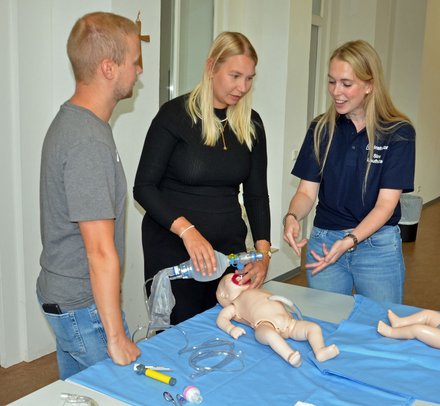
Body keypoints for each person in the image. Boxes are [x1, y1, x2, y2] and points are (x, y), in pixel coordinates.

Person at [134, 31, 271, 325]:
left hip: (228, 249)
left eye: (249, 78)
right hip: (175, 247)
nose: (242, 87)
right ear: (211, 67)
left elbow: (257, 194)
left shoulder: (251, 123)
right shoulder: (174, 116)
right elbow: (144, 188)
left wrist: (262, 253)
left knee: (228, 326)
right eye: (235, 76)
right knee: (181, 336)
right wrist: (188, 232)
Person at [37, 11, 142, 379]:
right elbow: (99, 252)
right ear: (109, 68)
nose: (139, 70)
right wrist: (115, 336)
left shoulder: (79, 123)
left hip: (70, 299)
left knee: (81, 396)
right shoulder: (87, 140)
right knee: (124, 391)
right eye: (134, 61)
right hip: (82, 305)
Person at [283, 40, 415, 304]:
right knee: (325, 327)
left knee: (379, 327)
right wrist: (292, 215)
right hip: (325, 242)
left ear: (369, 85)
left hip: (377, 246)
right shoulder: (321, 128)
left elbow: (386, 205)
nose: (336, 91)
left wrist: (349, 241)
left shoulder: (397, 133)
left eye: (346, 83)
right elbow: (306, 192)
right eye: (331, 82)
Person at [216, 273, 339, 367]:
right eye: (231, 277)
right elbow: (221, 319)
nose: (238, 276)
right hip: (265, 325)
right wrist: (231, 329)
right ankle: (290, 355)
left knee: (313, 327)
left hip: (289, 323)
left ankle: (320, 351)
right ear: (224, 295)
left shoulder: (256, 289)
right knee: (270, 335)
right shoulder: (234, 305)